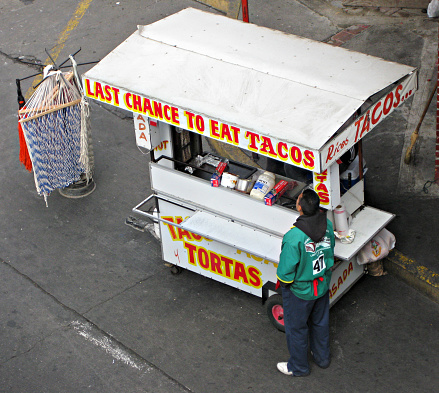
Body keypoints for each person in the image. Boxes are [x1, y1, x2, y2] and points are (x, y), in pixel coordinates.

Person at [276, 189, 335, 377]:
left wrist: (287, 287)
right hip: (322, 285)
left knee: (297, 329)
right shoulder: (328, 225)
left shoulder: (294, 237)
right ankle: (322, 358)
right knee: (320, 322)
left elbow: (285, 273)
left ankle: (299, 367)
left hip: (300, 292)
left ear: (299, 207)